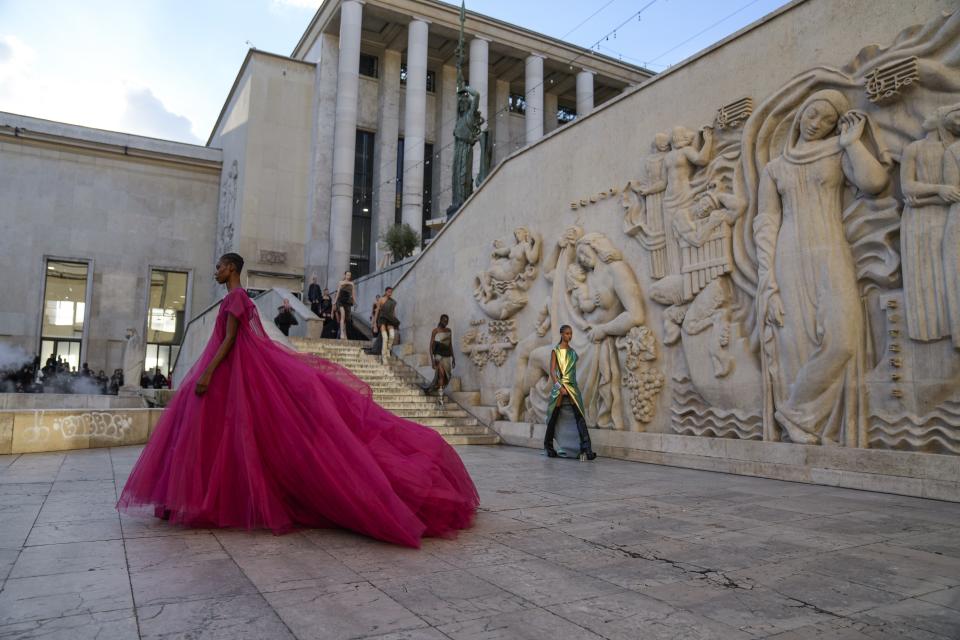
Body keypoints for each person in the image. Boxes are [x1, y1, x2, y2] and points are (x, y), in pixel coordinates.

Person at [117, 253, 478, 548]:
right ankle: (185, 500)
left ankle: (190, 501)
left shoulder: (238, 298)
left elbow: (230, 340)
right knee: (214, 437)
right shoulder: (234, 299)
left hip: (228, 374)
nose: (216, 271)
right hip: (231, 376)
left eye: (220, 266)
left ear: (232, 268)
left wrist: (208, 373)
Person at [543, 325, 597, 461]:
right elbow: (552, 371)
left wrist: (569, 387)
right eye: (567, 333)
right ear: (561, 334)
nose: (569, 336)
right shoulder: (555, 351)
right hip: (560, 386)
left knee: (579, 416)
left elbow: (572, 372)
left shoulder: (573, 352)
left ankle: (587, 448)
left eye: (571, 333)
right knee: (553, 416)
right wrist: (559, 387)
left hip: (572, 386)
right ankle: (548, 446)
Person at [424, 315, 455, 404]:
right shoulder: (435, 331)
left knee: (446, 377)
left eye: (447, 321)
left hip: (447, 356)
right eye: (444, 320)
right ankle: (440, 398)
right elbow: (430, 347)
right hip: (438, 356)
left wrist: (453, 357)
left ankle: (433, 388)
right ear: (440, 320)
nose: (445, 322)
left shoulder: (449, 331)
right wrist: (432, 360)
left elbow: (450, 345)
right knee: (441, 375)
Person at [373, 286, 400, 364]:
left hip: (390, 319)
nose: (390, 293)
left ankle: (388, 349)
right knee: (385, 337)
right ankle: (383, 356)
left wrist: (396, 322)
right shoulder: (381, 299)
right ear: (385, 292)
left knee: (392, 335)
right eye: (388, 291)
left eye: (391, 292)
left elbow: (393, 313)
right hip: (382, 319)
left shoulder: (393, 302)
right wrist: (375, 324)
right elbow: (377, 312)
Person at [334, 271, 355, 340]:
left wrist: (355, 302)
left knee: (346, 319)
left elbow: (353, 294)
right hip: (341, 300)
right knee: (342, 316)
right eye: (347, 275)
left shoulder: (352, 283)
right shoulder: (341, 282)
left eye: (349, 275)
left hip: (348, 301)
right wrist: (334, 301)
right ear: (345, 275)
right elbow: (338, 292)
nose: (348, 276)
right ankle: (342, 333)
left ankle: (345, 334)